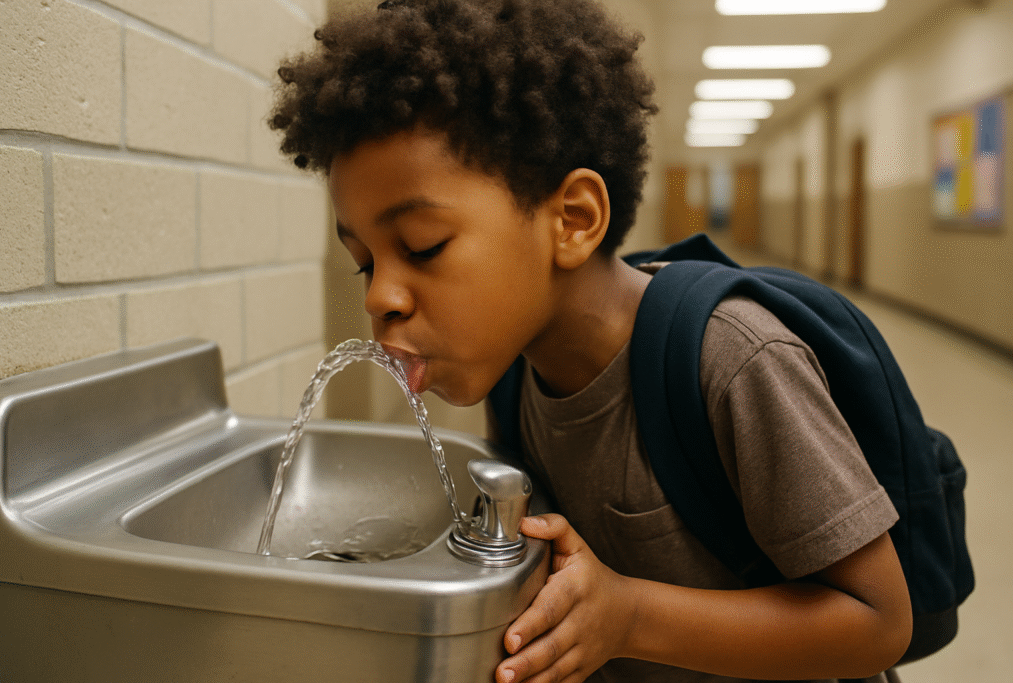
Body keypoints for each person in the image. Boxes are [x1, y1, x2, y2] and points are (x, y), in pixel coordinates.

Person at [268, 1, 913, 681]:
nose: (378, 298)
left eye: (423, 247)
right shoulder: (518, 375)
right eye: (365, 261)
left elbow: (877, 620)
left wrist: (629, 615)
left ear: (572, 220)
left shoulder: (730, 359)